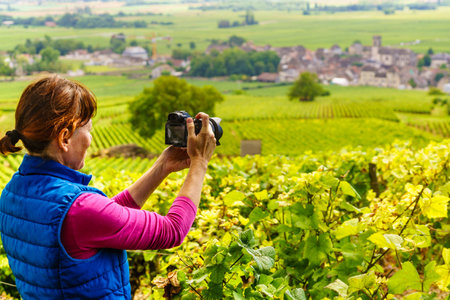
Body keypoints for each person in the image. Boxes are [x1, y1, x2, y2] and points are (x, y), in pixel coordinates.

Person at [0, 74, 217, 299]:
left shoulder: (12, 192)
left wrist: (162, 166)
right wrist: (199, 163)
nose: (91, 139)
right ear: (65, 138)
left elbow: (102, 219)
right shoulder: (80, 210)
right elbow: (171, 230)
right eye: (88, 130)